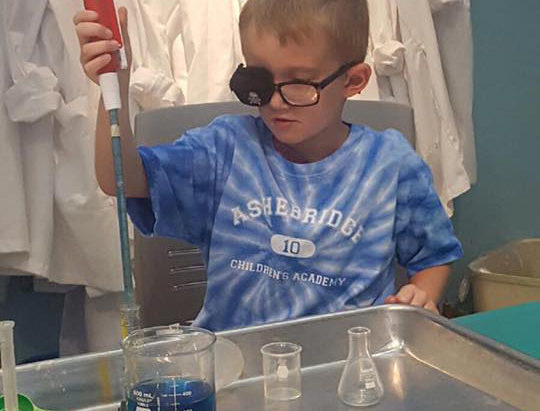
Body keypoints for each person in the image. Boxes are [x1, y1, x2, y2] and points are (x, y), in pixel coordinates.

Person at [73, 0, 463, 331]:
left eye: (299, 83)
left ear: (353, 80)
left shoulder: (389, 166)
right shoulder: (225, 151)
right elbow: (119, 179)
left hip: (345, 373)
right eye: (259, 79)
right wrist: (114, 88)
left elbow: (433, 257)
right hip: (239, 373)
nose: (274, 102)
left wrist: (421, 296)